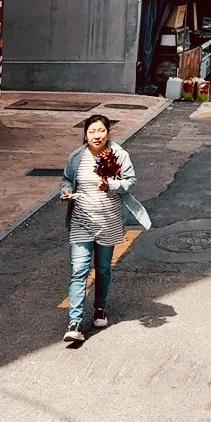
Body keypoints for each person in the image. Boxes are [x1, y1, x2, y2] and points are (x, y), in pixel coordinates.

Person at [59, 115, 140, 346]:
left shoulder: (118, 155)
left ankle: (100, 307)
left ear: (108, 132)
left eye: (101, 130)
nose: (97, 135)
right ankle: (75, 323)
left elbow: (130, 181)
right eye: (92, 131)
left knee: (103, 268)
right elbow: (66, 180)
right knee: (79, 270)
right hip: (81, 221)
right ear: (85, 135)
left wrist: (110, 185)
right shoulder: (77, 156)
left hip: (108, 221)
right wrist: (66, 191)